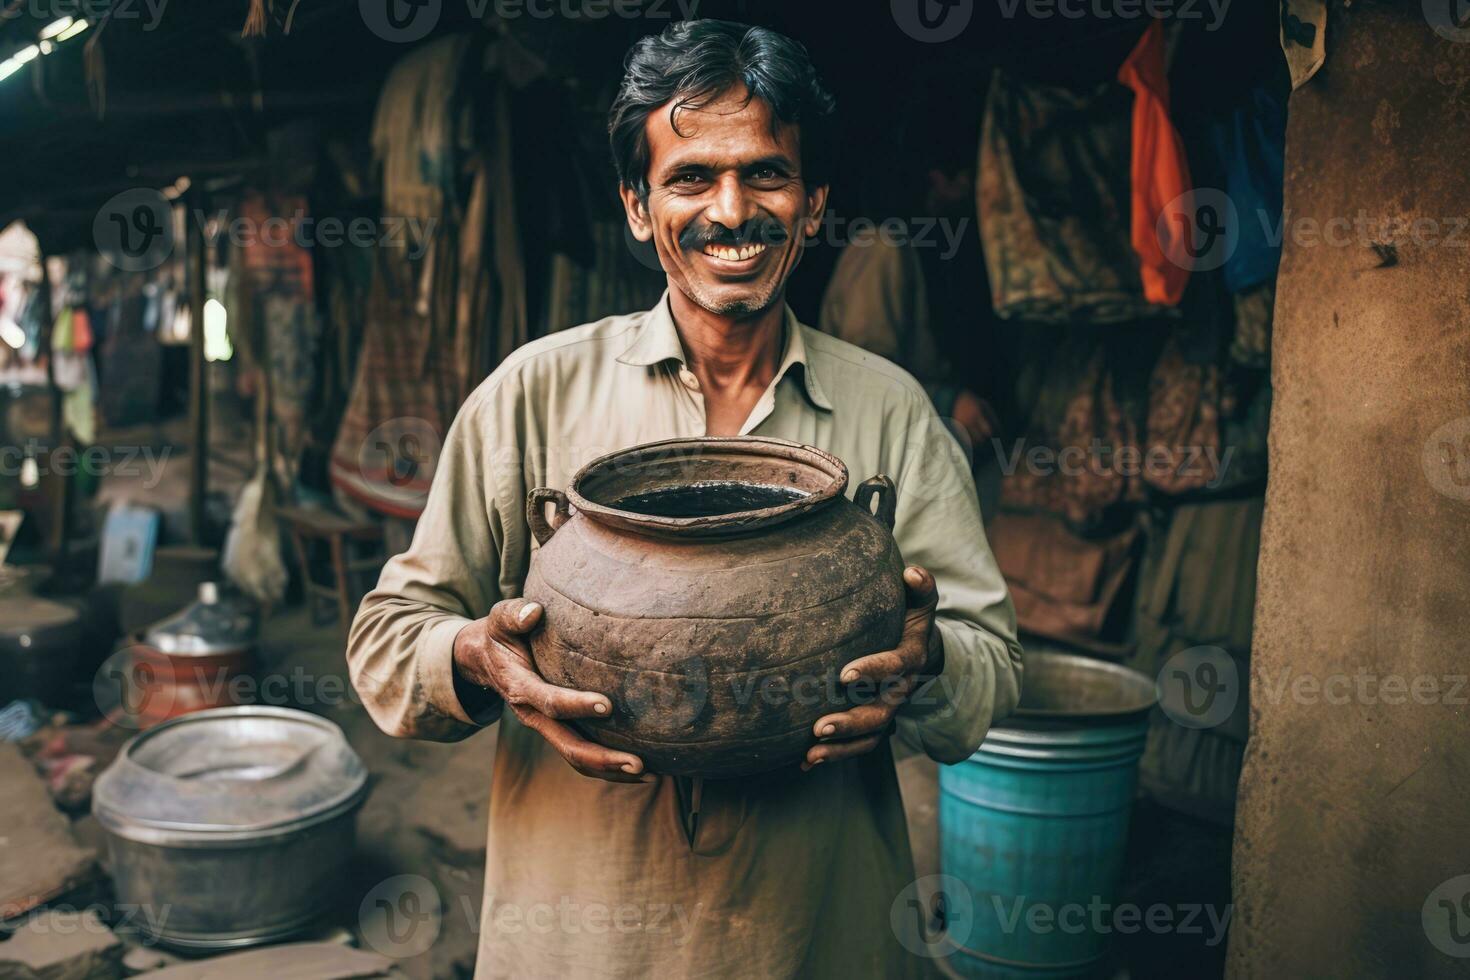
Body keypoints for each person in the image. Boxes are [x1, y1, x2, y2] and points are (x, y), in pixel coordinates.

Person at [347, 20, 1022, 978]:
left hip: (815, 934)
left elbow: (992, 667)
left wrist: (928, 663)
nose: (732, 210)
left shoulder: (892, 414)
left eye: (768, 175)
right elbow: (385, 638)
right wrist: (477, 655)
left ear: (815, 203)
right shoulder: (532, 395)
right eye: (691, 177)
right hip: (580, 938)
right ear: (636, 205)